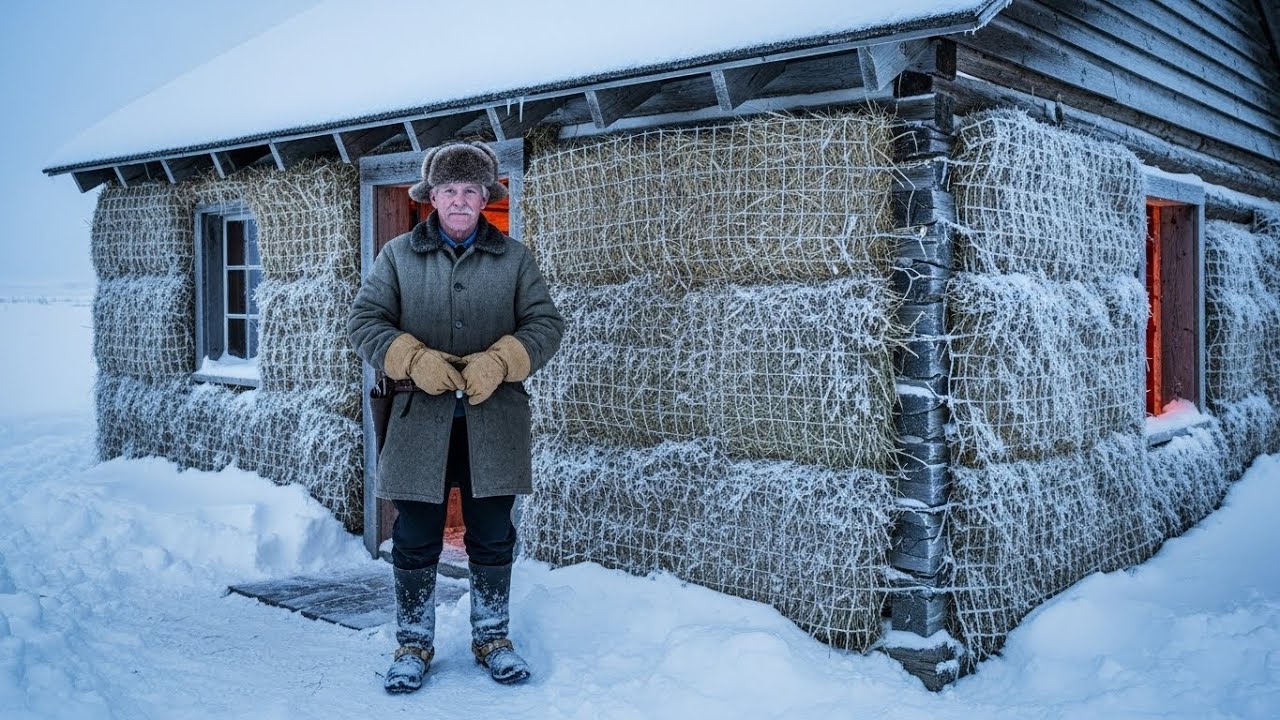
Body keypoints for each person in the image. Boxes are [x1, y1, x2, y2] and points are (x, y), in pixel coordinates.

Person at [348, 140, 563, 693]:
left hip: (496, 422)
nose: (461, 199)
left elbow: (545, 325)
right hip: (419, 421)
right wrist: (412, 358)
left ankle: (492, 637)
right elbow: (365, 322)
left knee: (492, 536)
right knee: (416, 536)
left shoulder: (515, 258)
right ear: (433, 197)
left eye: (471, 190)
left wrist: (503, 360)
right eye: (451, 190)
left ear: (485, 196)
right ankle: (413, 643)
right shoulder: (397, 255)